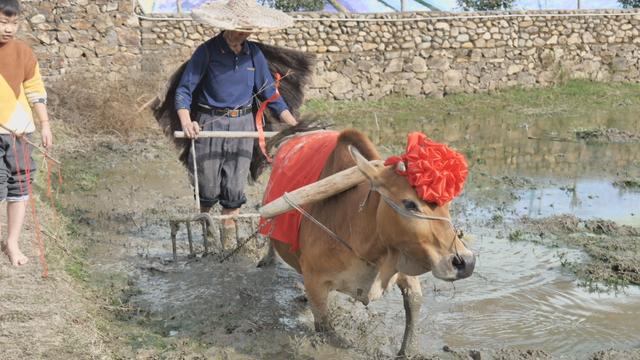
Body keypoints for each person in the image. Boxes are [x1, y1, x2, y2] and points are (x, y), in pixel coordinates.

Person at [175, 0, 297, 249]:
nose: (241, 34)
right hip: (209, 124)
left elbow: (269, 94)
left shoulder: (254, 54)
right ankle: (209, 242)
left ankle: (227, 247)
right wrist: (187, 122)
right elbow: (184, 91)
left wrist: (293, 124)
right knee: (207, 188)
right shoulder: (206, 52)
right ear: (225, 25)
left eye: (246, 30)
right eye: (237, 28)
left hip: (243, 125)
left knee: (234, 191)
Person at [0, 0, 53, 266]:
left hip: (19, 133)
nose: (8, 29)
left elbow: (35, 90)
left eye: (14, 23)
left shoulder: (22, 52)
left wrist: (44, 124)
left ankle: (12, 243)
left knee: (19, 185)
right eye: (2, 22)